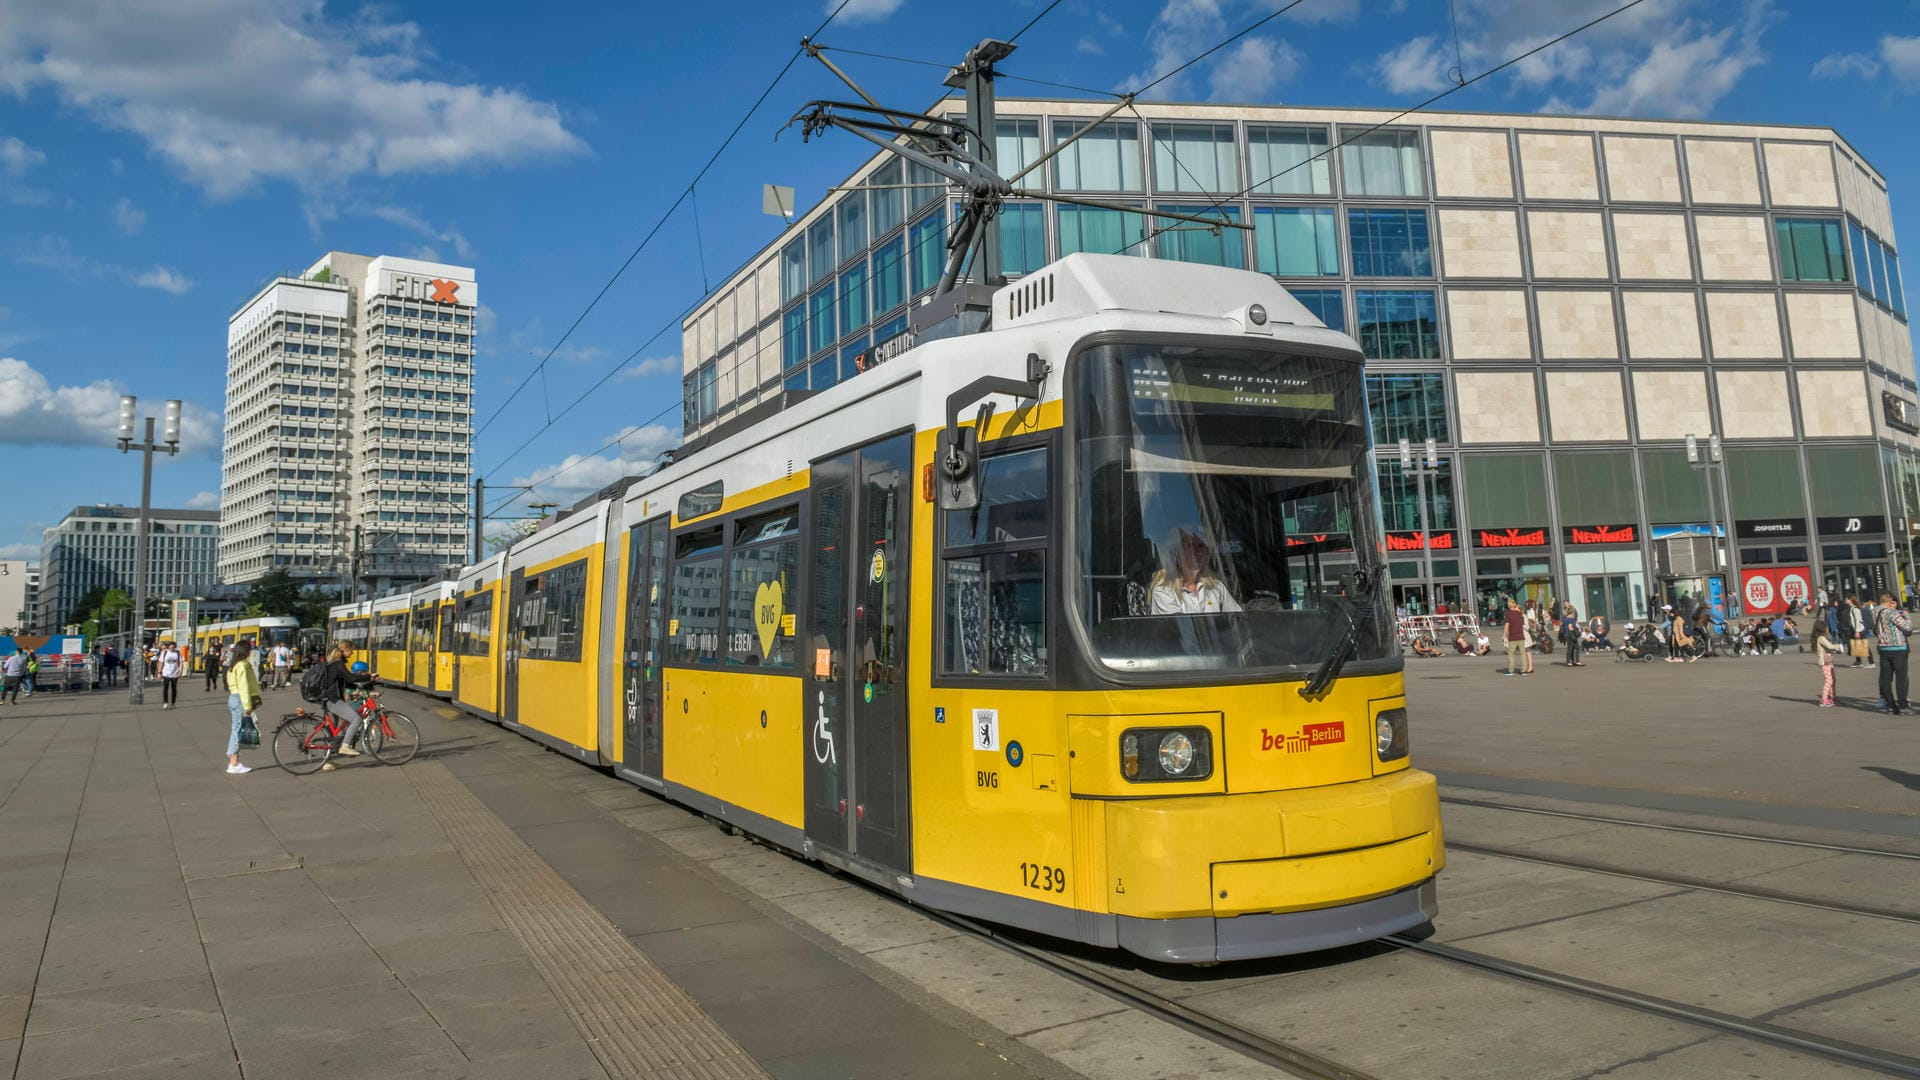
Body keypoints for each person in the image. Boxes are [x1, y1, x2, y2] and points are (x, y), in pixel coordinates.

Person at [1149, 527, 1241, 614]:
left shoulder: (1216, 587)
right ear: (1176, 553)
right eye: (1190, 545)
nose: (1197, 551)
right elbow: (1180, 628)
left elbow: (1238, 620)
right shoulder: (1163, 591)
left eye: (1201, 546)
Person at [314, 642, 376, 770]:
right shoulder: (338, 663)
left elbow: (347, 683)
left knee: (332, 731)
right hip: (332, 700)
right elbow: (351, 678)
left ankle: (327, 762)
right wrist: (369, 676)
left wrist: (367, 687)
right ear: (345, 650)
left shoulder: (333, 663)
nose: (352, 653)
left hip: (327, 699)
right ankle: (345, 746)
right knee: (356, 719)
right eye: (351, 651)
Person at [222, 641, 259, 775]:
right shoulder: (242, 665)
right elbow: (243, 686)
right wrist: (248, 705)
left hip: (233, 697)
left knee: (236, 728)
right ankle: (233, 762)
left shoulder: (233, 665)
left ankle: (234, 760)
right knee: (237, 730)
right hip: (240, 698)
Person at [1873, 593, 1911, 715]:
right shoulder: (1892, 613)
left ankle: (1890, 705)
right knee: (1901, 678)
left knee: (1886, 678)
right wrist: (1907, 616)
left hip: (1883, 648)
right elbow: (1907, 627)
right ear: (1890, 601)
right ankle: (1903, 706)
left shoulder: (1875, 611)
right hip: (1898, 647)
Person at [1814, 619, 1841, 707]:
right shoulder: (1821, 638)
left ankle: (1833, 697)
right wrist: (1839, 646)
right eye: (1826, 627)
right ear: (1823, 628)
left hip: (1828, 661)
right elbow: (1829, 646)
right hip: (1824, 662)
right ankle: (1824, 700)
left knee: (1833, 680)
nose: (1827, 628)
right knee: (1829, 681)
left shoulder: (1822, 637)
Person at [1503, 599, 1530, 676]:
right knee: (1523, 653)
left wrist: (1504, 635)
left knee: (1511, 653)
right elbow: (1521, 623)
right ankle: (1524, 670)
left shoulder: (1508, 613)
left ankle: (1511, 670)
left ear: (1509, 605)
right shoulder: (1519, 613)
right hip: (1521, 635)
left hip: (1513, 636)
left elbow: (1507, 625)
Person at [158, 640, 183, 708]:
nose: (172, 648)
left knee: (174, 689)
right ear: (168, 647)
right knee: (165, 689)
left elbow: (181, 663)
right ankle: (165, 702)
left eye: (173, 647)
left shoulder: (178, 653)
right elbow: (161, 663)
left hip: (175, 674)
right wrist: (159, 673)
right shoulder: (164, 653)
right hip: (166, 673)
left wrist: (180, 671)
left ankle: (173, 703)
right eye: (171, 647)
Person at [1560, 603, 1584, 667]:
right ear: (1572, 613)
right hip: (1571, 635)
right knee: (1575, 648)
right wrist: (1577, 629)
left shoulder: (1566, 619)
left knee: (1571, 648)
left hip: (1567, 635)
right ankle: (1574, 661)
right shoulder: (1570, 619)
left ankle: (1570, 661)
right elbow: (1570, 628)